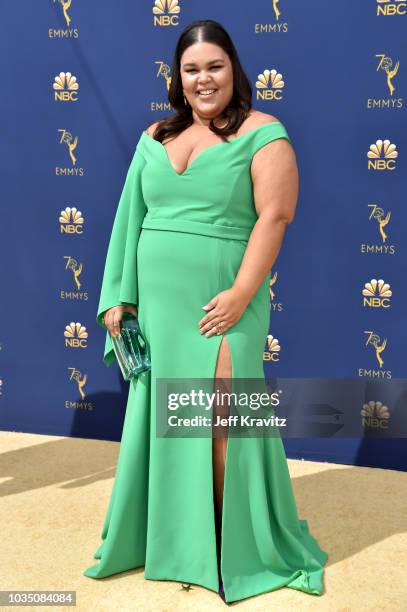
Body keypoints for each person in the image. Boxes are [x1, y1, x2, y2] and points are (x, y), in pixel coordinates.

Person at [83, 18, 328, 604]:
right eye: (191, 69)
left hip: (224, 301)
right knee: (164, 416)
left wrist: (243, 293)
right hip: (161, 309)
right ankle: (176, 538)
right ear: (178, 77)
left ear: (233, 70)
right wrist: (119, 294)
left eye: (214, 66)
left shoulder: (264, 133)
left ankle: (228, 543)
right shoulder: (156, 136)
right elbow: (128, 218)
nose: (203, 78)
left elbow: (275, 217)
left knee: (219, 415)